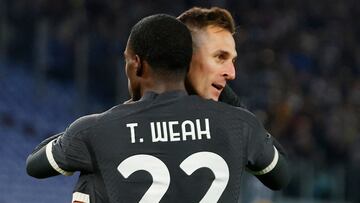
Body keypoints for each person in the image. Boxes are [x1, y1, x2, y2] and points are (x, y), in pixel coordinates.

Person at [26, 13, 290, 202]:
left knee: (91, 178)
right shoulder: (240, 123)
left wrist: (128, 111)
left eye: (127, 61)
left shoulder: (95, 130)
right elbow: (281, 176)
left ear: (138, 64)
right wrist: (229, 100)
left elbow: (35, 166)